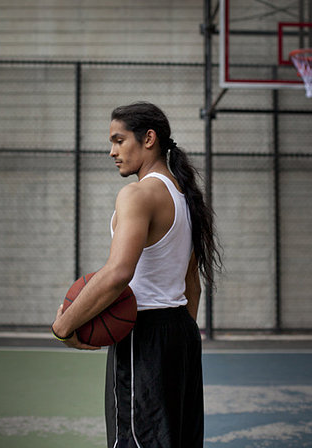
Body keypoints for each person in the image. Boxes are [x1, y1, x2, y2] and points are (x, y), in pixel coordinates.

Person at [52, 101, 220, 448]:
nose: (112, 151)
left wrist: (64, 326)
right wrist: (176, 339)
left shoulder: (138, 195)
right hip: (181, 335)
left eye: (119, 140)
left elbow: (117, 274)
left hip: (142, 336)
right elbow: (193, 286)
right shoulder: (183, 195)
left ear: (148, 139)